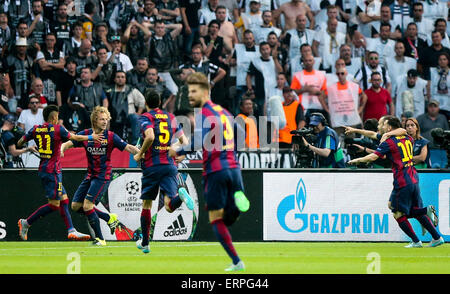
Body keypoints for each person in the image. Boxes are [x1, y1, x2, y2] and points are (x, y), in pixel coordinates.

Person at [169, 72, 249, 271]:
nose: (190, 95)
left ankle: (236, 261)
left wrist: (177, 149)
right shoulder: (225, 112)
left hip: (215, 170)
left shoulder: (204, 113)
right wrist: (232, 154)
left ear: (206, 91)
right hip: (234, 167)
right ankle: (238, 197)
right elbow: (240, 133)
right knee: (229, 215)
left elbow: (199, 141)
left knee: (215, 218)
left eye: (194, 91)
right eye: (188, 91)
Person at [348, 116, 443, 248]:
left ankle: (418, 234)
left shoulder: (388, 142)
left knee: (397, 212)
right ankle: (436, 237)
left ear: (388, 127)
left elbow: (374, 156)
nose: (379, 126)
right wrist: (355, 130)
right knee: (410, 209)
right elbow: (397, 132)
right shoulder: (408, 139)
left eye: (382, 124)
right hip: (413, 177)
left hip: (402, 179)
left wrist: (357, 160)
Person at [17, 105, 100, 241]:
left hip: (44, 168)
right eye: (57, 117)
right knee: (54, 205)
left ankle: (71, 230)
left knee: (64, 200)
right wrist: (91, 137)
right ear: (54, 117)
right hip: (53, 171)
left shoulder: (36, 129)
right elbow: (74, 138)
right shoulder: (58, 129)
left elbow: (20, 142)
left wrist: (37, 145)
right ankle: (26, 222)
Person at [60, 106, 140, 246]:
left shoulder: (110, 136)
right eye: (101, 119)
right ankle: (108, 218)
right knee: (75, 205)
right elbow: (68, 143)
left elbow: (128, 147)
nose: (104, 122)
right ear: (94, 120)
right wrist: (61, 149)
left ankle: (100, 239)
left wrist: (140, 152)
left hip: (103, 176)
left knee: (87, 205)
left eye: (106, 119)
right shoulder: (86, 134)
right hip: (90, 175)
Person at [133, 89, 194, 253]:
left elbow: (150, 137)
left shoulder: (146, 117)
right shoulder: (170, 117)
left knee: (147, 205)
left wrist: (139, 154)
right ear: (160, 102)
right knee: (169, 205)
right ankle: (179, 196)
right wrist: (173, 147)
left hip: (152, 166)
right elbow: (184, 141)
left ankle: (145, 243)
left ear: (146, 103)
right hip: (169, 165)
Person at [106, 71, 146, 145]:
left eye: (122, 77)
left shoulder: (131, 90)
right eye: (118, 77)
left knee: (136, 117)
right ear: (114, 79)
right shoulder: (109, 91)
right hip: (113, 117)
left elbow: (142, 101)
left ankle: (135, 144)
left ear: (125, 79)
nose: (120, 79)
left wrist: (138, 113)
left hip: (129, 117)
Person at [246, 42, 282, 116]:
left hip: (273, 91)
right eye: (263, 49)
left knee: (275, 114)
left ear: (270, 49)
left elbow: (280, 71)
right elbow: (249, 76)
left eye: (267, 49)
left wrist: (275, 59)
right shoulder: (255, 62)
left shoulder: (274, 60)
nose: (265, 51)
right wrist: (250, 89)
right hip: (260, 92)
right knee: (262, 114)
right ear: (260, 51)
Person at [290, 53, 328, 122]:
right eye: (306, 61)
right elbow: (293, 92)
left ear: (314, 62)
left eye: (310, 60)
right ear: (303, 62)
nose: (308, 62)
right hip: (303, 107)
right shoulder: (297, 75)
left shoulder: (321, 75)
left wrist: (317, 92)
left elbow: (325, 92)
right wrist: (304, 89)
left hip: (318, 106)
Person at [417, 100, 449, 168]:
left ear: (438, 108)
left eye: (435, 106)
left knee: (444, 168)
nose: (433, 108)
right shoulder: (421, 118)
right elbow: (415, 132)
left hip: (441, 150)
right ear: (427, 108)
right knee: (433, 167)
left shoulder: (443, 118)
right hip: (427, 149)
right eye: (431, 106)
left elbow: (447, 132)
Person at [428, 52, 450, 119]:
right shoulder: (432, 71)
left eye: (444, 59)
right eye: (440, 59)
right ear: (438, 61)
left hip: (448, 102)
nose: (442, 61)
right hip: (435, 101)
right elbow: (429, 85)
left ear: (448, 61)